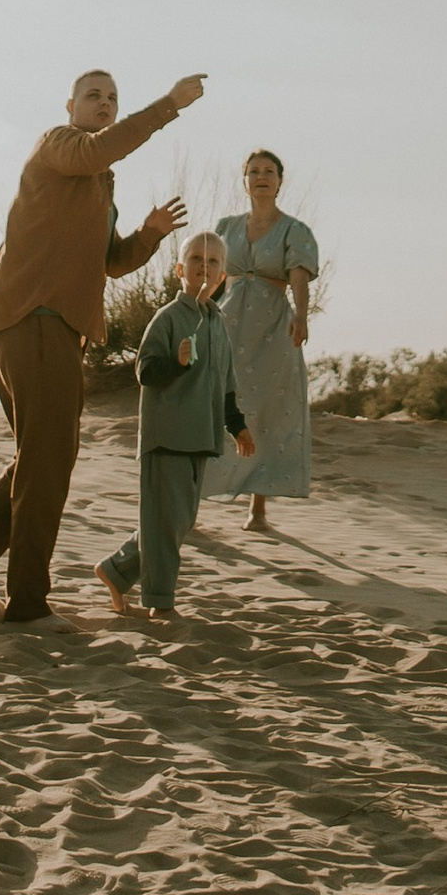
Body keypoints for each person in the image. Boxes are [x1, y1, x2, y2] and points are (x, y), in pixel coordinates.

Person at [0, 62, 203, 623]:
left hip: (46, 325)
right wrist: (169, 104)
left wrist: (148, 235)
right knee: (48, 459)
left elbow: (109, 263)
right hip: (35, 317)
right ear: (70, 108)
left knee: (42, 458)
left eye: (112, 98)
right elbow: (98, 151)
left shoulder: (99, 183)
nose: (105, 103)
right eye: (93, 96)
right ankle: (27, 601)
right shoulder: (59, 145)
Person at [97, 231, 253, 627]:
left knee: (178, 521)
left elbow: (226, 386)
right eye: (197, 260)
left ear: (223, 275)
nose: (205, 266)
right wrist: (177, 363)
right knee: (166, 522)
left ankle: (117, 571)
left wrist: (238, 427)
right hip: (166, 436)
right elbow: (146, 371)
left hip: (202, 437)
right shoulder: (168, 317)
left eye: (214, 261)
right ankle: (160, 603)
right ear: (180, 270)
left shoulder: (219, 324)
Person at [203, 148, 319, 532]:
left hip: (272, 327)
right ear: (245, 181)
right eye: (253, 172)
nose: (261, 177)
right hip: (228, 322)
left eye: (269, 171)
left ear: (280, 181)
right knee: (215, 403)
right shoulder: (226, 226)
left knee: (265, 411)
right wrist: (195, 314)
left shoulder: (293, 230)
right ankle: (195, 495)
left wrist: (301, 316)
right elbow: (212, 276)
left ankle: (258, 507)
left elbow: (298, 276)